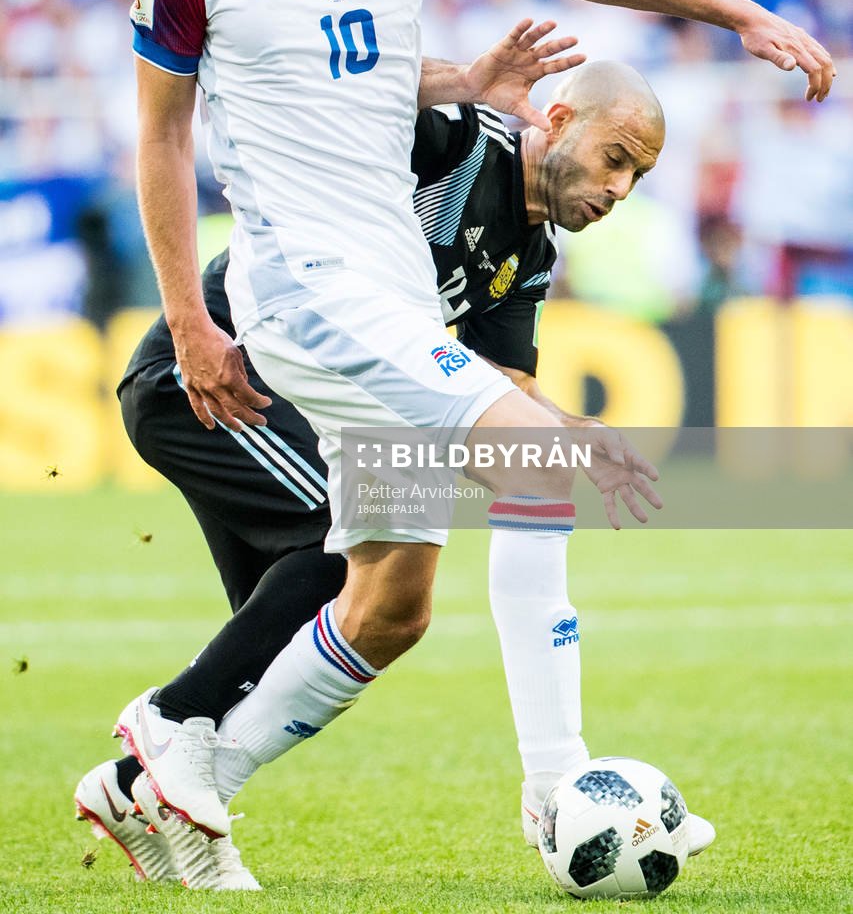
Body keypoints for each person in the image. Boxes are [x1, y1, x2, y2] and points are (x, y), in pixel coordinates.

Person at [110, 0, 833, 887]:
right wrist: (191, 323)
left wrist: (733, 11)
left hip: (383, 300)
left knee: (392, 598)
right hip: (296, 292)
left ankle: (184, 780)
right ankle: (549, 783)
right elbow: (163, 135)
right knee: (508, 470)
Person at [77, 62, 712, 889]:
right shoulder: (454, 144)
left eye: (639, 175)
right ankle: (168, 721)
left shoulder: (528, 251)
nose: (621, 187)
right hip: (220, 378)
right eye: (616, 157)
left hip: (328, 403)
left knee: (389, 610)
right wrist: (463, 79)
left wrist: (577, 431)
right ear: (556, 121)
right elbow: (331, 102)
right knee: (343, 555)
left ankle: (143, 789)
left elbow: (502, 382)